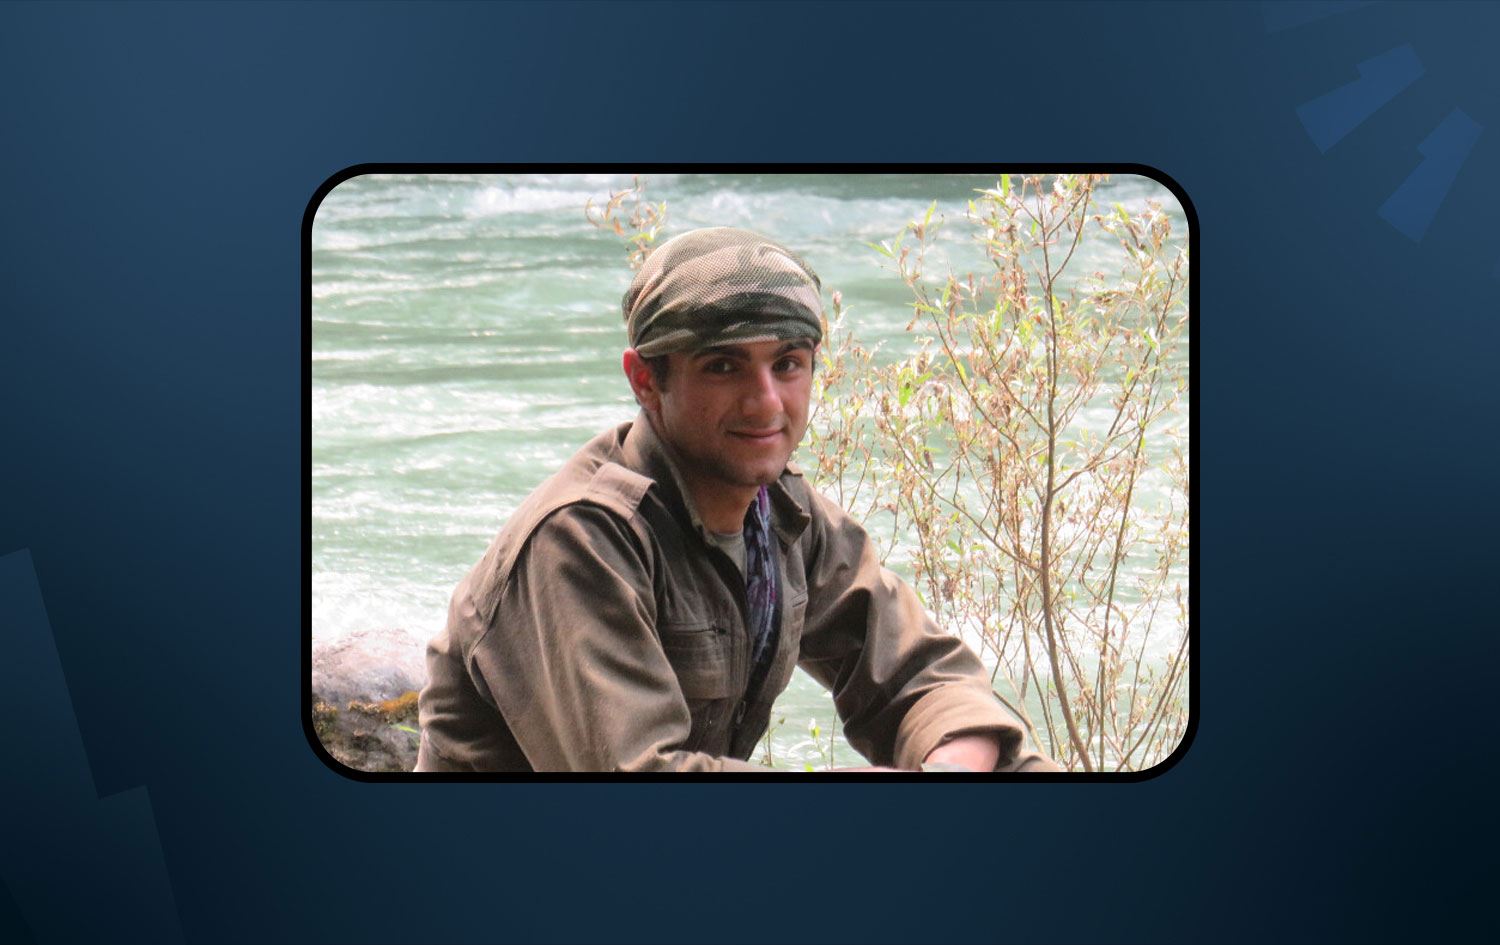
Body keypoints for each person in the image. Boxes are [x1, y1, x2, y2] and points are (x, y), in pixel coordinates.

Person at [416, 226, 1059, 773]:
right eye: (723, 367)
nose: (765, 403)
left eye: (787, 364)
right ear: (646, 380)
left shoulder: (779, 514)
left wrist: (951, 763)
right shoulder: (581, 539)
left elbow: (922, 674)